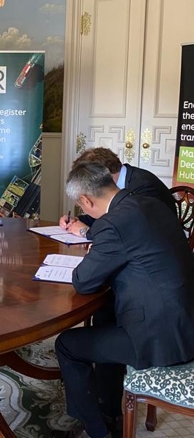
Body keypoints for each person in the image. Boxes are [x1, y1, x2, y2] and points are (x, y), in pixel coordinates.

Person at [54, 162, 194, 438]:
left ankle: (98, 431)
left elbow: (84, 281)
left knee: (67, 345)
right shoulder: (148, 203)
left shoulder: (113, 223)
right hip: (185, 321)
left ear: (85, 199)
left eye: (80, 206)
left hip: (161, 338)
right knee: (105, 319)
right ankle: (110, 411)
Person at [59, 147, 176, 238]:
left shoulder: (143, 187)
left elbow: (126, 232)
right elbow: (108, 215)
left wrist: (86, 232)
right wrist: (77, 221)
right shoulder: (123, 181)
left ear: (101, 174)